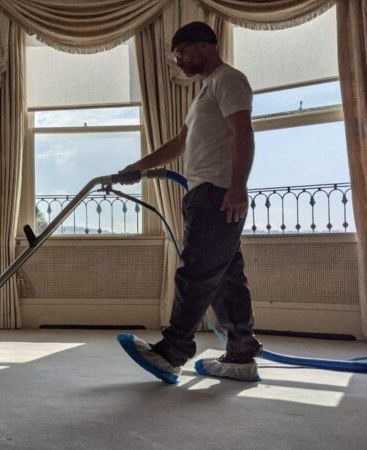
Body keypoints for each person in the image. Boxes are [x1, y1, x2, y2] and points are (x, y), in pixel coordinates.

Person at [117, 21, 263, 383]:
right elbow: (178, 145)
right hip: (206, 192)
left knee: (195, 273)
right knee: (227, 278)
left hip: (217, 192)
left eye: (181, 53)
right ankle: (241, 355)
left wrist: (237, 186)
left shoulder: (228, 80)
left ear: (202, 46)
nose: (178, 61)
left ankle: (173, 352)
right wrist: (139, 167)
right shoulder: (203, 94)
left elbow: (243, 133)